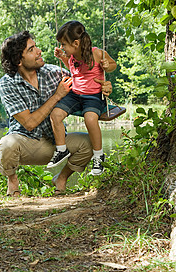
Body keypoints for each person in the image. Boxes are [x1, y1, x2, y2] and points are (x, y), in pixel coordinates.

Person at [0, 30, 113, 196]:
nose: (39, 51)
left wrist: (105, 87)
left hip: (55, 143)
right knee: (7, 143)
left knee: (89, 143)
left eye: (36, 46)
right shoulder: (7, 84)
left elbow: (86, 83)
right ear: (18, 61)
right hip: (25, 144)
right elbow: (29, 123)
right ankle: (13, 183)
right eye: (31, 50)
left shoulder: (53, 72)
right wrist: (57, 95)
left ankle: (61, 179)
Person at [47, 21, 117, 176]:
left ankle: (98, 156)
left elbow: (113, 64)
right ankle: (61, 150)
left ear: (76, 43)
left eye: (64, 44)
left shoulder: (96, 53)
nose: (62, 47)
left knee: (90, 119)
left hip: (93, 96)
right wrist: (62, 57)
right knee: (55, 115)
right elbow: (73, 68)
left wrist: (107, 65)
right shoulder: (72, 56)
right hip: (75, 94)